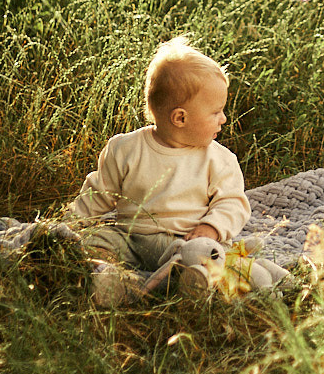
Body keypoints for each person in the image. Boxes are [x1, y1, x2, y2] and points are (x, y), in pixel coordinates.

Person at [69, 37, 249, 296]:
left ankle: (183, 282)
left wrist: (211, 228)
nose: (224, 118)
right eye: (216, 112)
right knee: (94, 242)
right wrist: (70, 226)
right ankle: (113, 279)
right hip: (130, 239)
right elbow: (98, 195)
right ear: (180, 118)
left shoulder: (219, 159)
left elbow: (233, 203)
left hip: (183, 242)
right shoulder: (125, 149)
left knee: (206, 254)